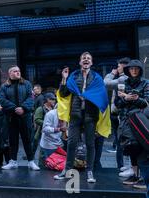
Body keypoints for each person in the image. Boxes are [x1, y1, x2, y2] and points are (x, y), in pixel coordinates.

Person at [54, 52, 110, 183]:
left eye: (88, 58)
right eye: (83, 58)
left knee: (90, 144)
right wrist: (64, 78)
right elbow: (63, 93)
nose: (86, 60)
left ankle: (90, 171)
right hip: (75, 115)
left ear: (91, 62)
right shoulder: (73, 76)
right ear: (80, 62)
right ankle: (66, 170)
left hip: (91, 116)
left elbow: (101, 96)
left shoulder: (97, 78)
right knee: (71, 143)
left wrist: (90, 97)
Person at [114, 59, 149, 189]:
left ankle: (144, 178)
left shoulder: (145, 83)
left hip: (139, 120)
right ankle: (135, 175)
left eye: (136, 68)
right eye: (131, 69)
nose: (133, 71)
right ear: (128, 70)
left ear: (140, 70)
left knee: (140, 148)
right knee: (129, 147)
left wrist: (135, 98)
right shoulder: (123, 83)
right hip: (124, 120)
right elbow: (117, 104)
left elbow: (146, 103)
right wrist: (125, 98)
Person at [0, 66, 40, 171]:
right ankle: (13, 162)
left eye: (18, 70)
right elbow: (2, 100)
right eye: (15, 71)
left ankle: (31, 162)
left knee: (27, 139)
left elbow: (31, 98)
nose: (18, 72)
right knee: (13, 141)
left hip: (25, 116)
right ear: (10, 74)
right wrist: (14, 108)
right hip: (11, 117)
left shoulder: (26, 84)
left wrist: (23, 108)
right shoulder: (4, 86)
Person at [104, 57, 130, 174]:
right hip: (117, 114)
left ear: (124, 67)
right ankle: (124, 166)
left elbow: (106, 83)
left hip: (121, 115)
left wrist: (111, 73)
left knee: (121, 141)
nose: (117, 68)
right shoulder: (123, 78)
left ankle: (123, 166)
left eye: (118, 66)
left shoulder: (123, 78)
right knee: (120, 140)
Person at [33, 93, 57, 157]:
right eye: (51, 99)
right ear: (47, 100)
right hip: (41, 132)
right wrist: (47, 124)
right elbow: (37, 120)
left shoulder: (54, 109)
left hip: (51, 133)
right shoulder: (40, 109)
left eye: (54, 99)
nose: (53, 101)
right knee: (38, 148)